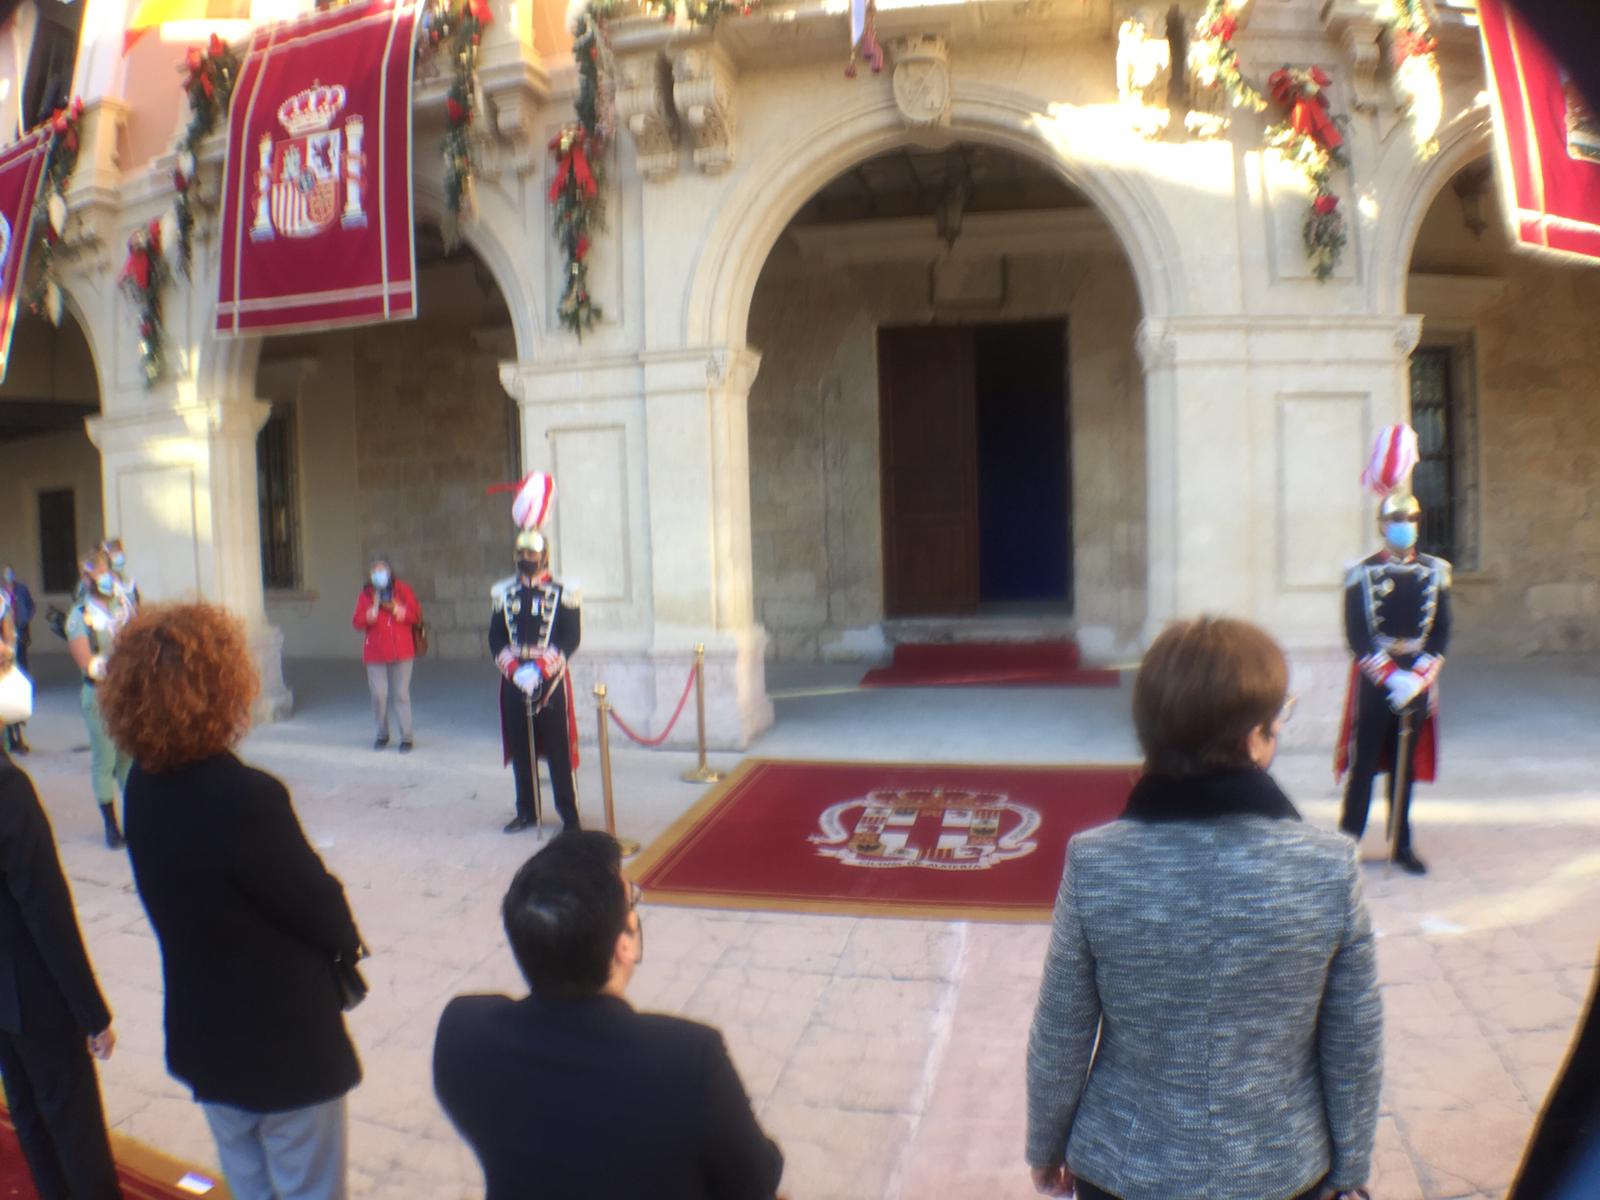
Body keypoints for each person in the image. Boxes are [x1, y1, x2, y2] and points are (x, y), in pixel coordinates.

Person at [1026, 616, 1382, 1200]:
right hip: (1282, 1167)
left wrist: (1046, 1145)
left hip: (1122, 1166)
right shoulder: (1328, 867)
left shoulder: (1097, 863)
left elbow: (1061, 1031)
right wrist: (1351, 1170)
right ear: (1253, 736)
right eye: (1278, 716)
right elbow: (1353, 1041)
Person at [98, 603, 367, 1200]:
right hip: (284, 1049)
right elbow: (317, 906)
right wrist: (346, 938)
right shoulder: (245, 797)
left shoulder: (140, 788)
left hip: (207, 1039)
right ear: (221, 690)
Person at [433, 831, 784, 1200]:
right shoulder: (688, 1057)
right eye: (631, 899)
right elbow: (755, 1179)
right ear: (625, 945)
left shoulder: (463, 1029)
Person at [0, 754, 123, 1199]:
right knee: (74, 1126)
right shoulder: (8, 787)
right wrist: (93, 1013)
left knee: (29, 1114)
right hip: (33, 989)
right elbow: (46, 912)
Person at [1335, 428, 1452, 876]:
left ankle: (1401, 843)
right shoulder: (1360, 574)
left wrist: (1417, 676)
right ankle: (1348, 842)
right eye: (1395, 521)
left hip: (1416, 677)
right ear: (1382, 526)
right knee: (1364, 764)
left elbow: (1441, 633)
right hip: (1376, 677)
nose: (1404, 527)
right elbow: (1357, 635)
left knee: (1405, 767)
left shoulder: (1436, 573)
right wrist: (1389, 677)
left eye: (1411, 520)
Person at [488, 472, 582, 834]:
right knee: (522, 750)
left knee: (557, 750)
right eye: (523, 552)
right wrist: (514, 670)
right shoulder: (503, 593)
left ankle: (568, 814)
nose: (528, 557)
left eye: (533, 552)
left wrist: (541, 670)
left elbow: (571, 638)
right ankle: (526, 810)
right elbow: (495, 638)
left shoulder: (565, 591)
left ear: (544, 556)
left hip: (550, 679)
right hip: (514, 678)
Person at [66, 549, 136, 848]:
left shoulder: (121, 606)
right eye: (98, 572)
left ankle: (137, 820)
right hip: (99, 695)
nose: (105, 576)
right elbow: (88, 663)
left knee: (128, 758)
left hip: (125, 693)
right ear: (87, 577)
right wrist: (117, 658)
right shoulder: (80, 616)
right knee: (105, 758)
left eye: (106, 570)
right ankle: (111, 825)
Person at [351, 555, 421, 752]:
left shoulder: (403, 590)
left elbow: (415, 615)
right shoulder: (366, 594)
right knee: (379, 695)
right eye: (374, 571)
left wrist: (397, 608)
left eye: (381, 571)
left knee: (401, 694)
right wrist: (371, 610)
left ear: (389, 572)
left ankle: (406, 737)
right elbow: (357, 622)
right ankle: (382, 734)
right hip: (375, 651)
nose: (377, 575)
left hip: (402, 649)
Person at [2, 564, 34, 754]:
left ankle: (17, 737)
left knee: (15, 694)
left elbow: (26, 609)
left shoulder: (15, 593)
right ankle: (9, 740)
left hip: (12, 655)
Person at [101, 538, 140, 610]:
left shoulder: (128, 580)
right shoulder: (106, 581)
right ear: (108, 556)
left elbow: (137, 602)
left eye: (120, 551)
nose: (120, 555)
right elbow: (107, 606)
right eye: (116, 553)